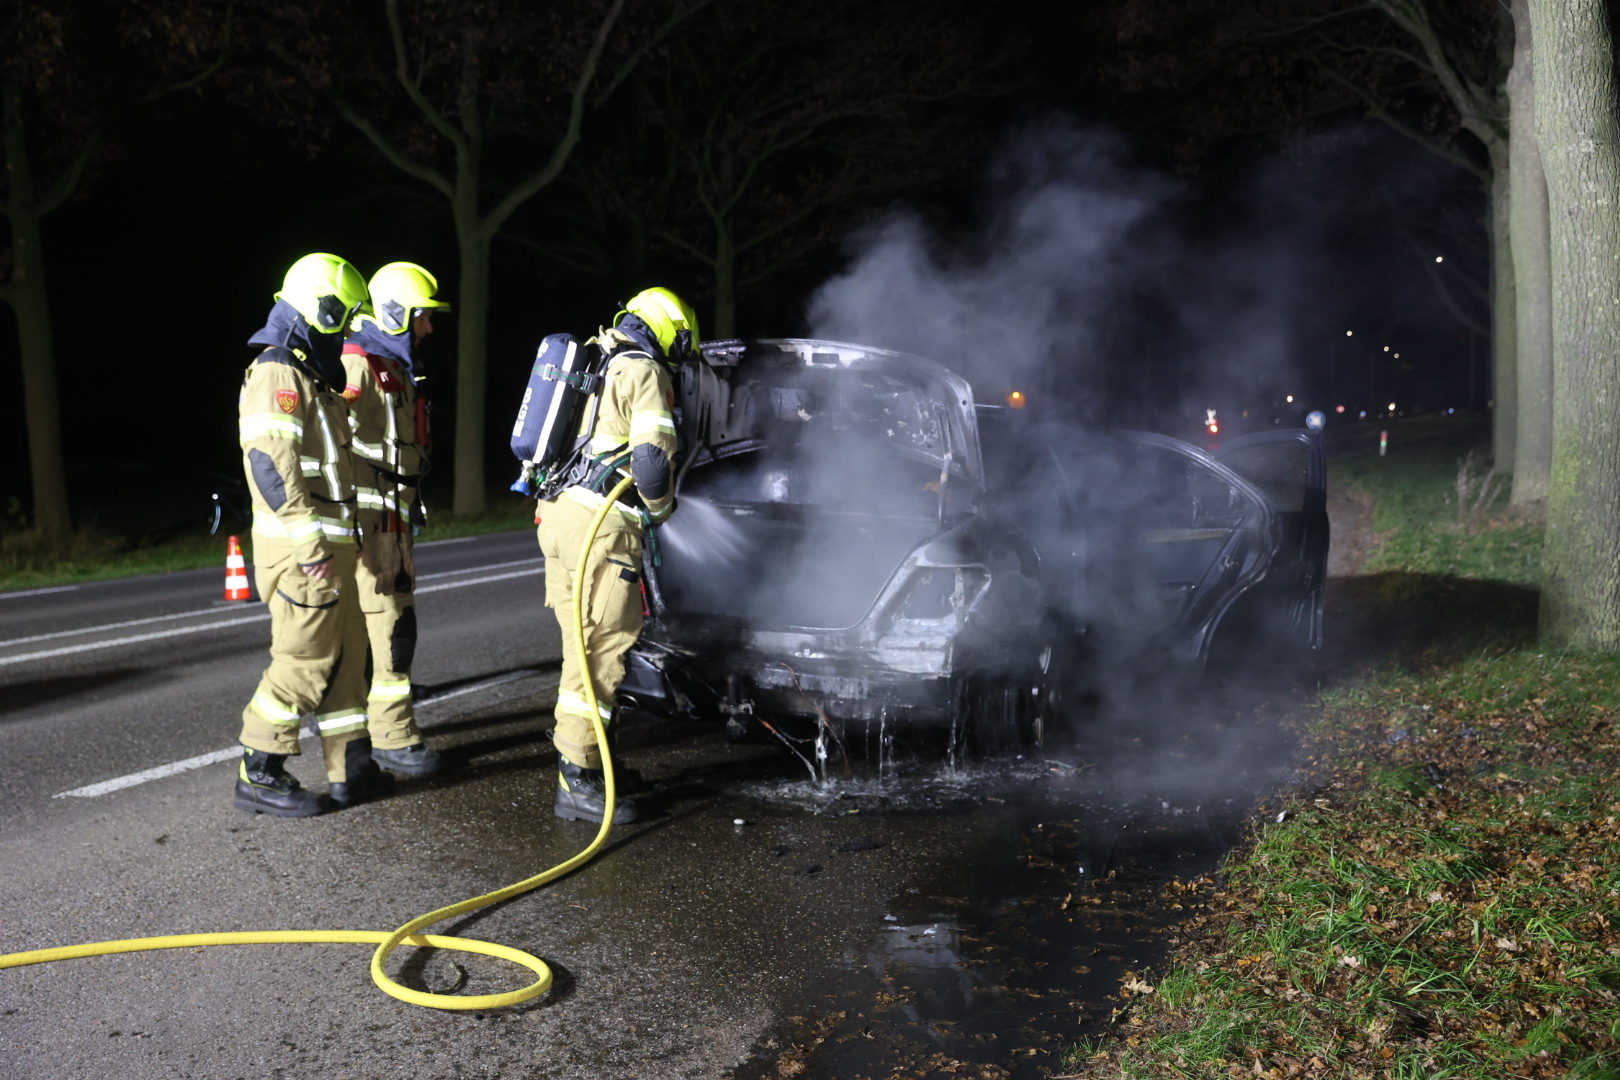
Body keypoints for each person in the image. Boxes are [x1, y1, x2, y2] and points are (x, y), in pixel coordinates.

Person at [234, 252, 394, 816]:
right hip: (303, 551)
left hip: (333, 548)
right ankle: (260, 768)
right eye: (344, 318)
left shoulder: (310, 378)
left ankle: (352, 769)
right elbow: (270, 464)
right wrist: (308, 542)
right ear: (319, 311)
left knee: (349, 663)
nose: (349, 330)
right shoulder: (278, 373)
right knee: (305, 658)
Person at [536, 287, 697, 824]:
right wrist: (662, 509)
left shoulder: (594, 360)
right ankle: (578, 780)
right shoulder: (645, 370)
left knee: (577, 647)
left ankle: (591, 764)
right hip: (600, 528)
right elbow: (652, 462)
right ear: (671, 332)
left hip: (558, 516)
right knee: (599, 653)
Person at [341, 261, 449, 779]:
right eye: (422, 316)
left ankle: (364, 732)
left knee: (379, 627)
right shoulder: (358, 366)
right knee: (392, 625)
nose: (428, 327)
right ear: (393, 314)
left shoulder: (395, 366)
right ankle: (391, 736)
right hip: (374, 522)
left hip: (389, 516)